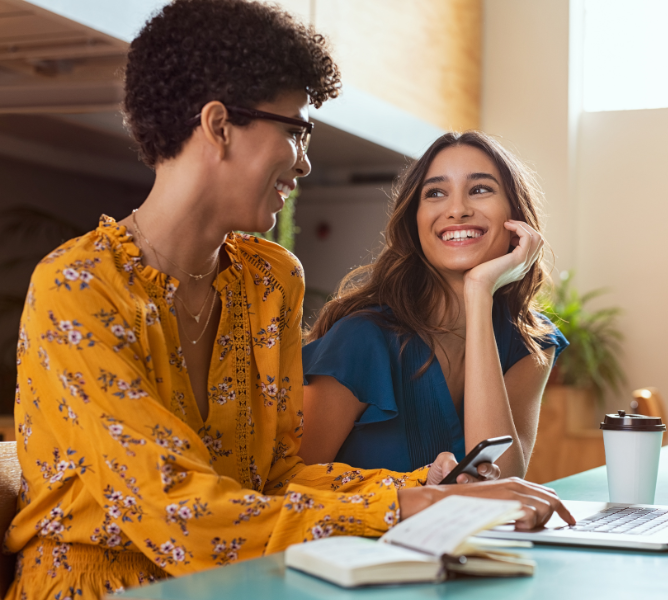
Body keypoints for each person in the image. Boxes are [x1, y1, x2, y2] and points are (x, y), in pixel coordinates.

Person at [4, 2, 573, 599]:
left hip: (243, 579)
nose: (304, 161)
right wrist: (411, 504)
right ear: (219, 125)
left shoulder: (269, 279)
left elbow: (276, 477)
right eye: (296, 130)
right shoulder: (78, 286)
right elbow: (174, 513)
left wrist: (427, 491)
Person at [300, 131, 568, 478]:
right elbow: (287, 487)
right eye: (436, 193)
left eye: (480, 189)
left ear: (516, 216)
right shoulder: (361, 340)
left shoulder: (530, 343)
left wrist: (479, 290)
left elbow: (499, 485)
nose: (456, 210)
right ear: (416, 220)